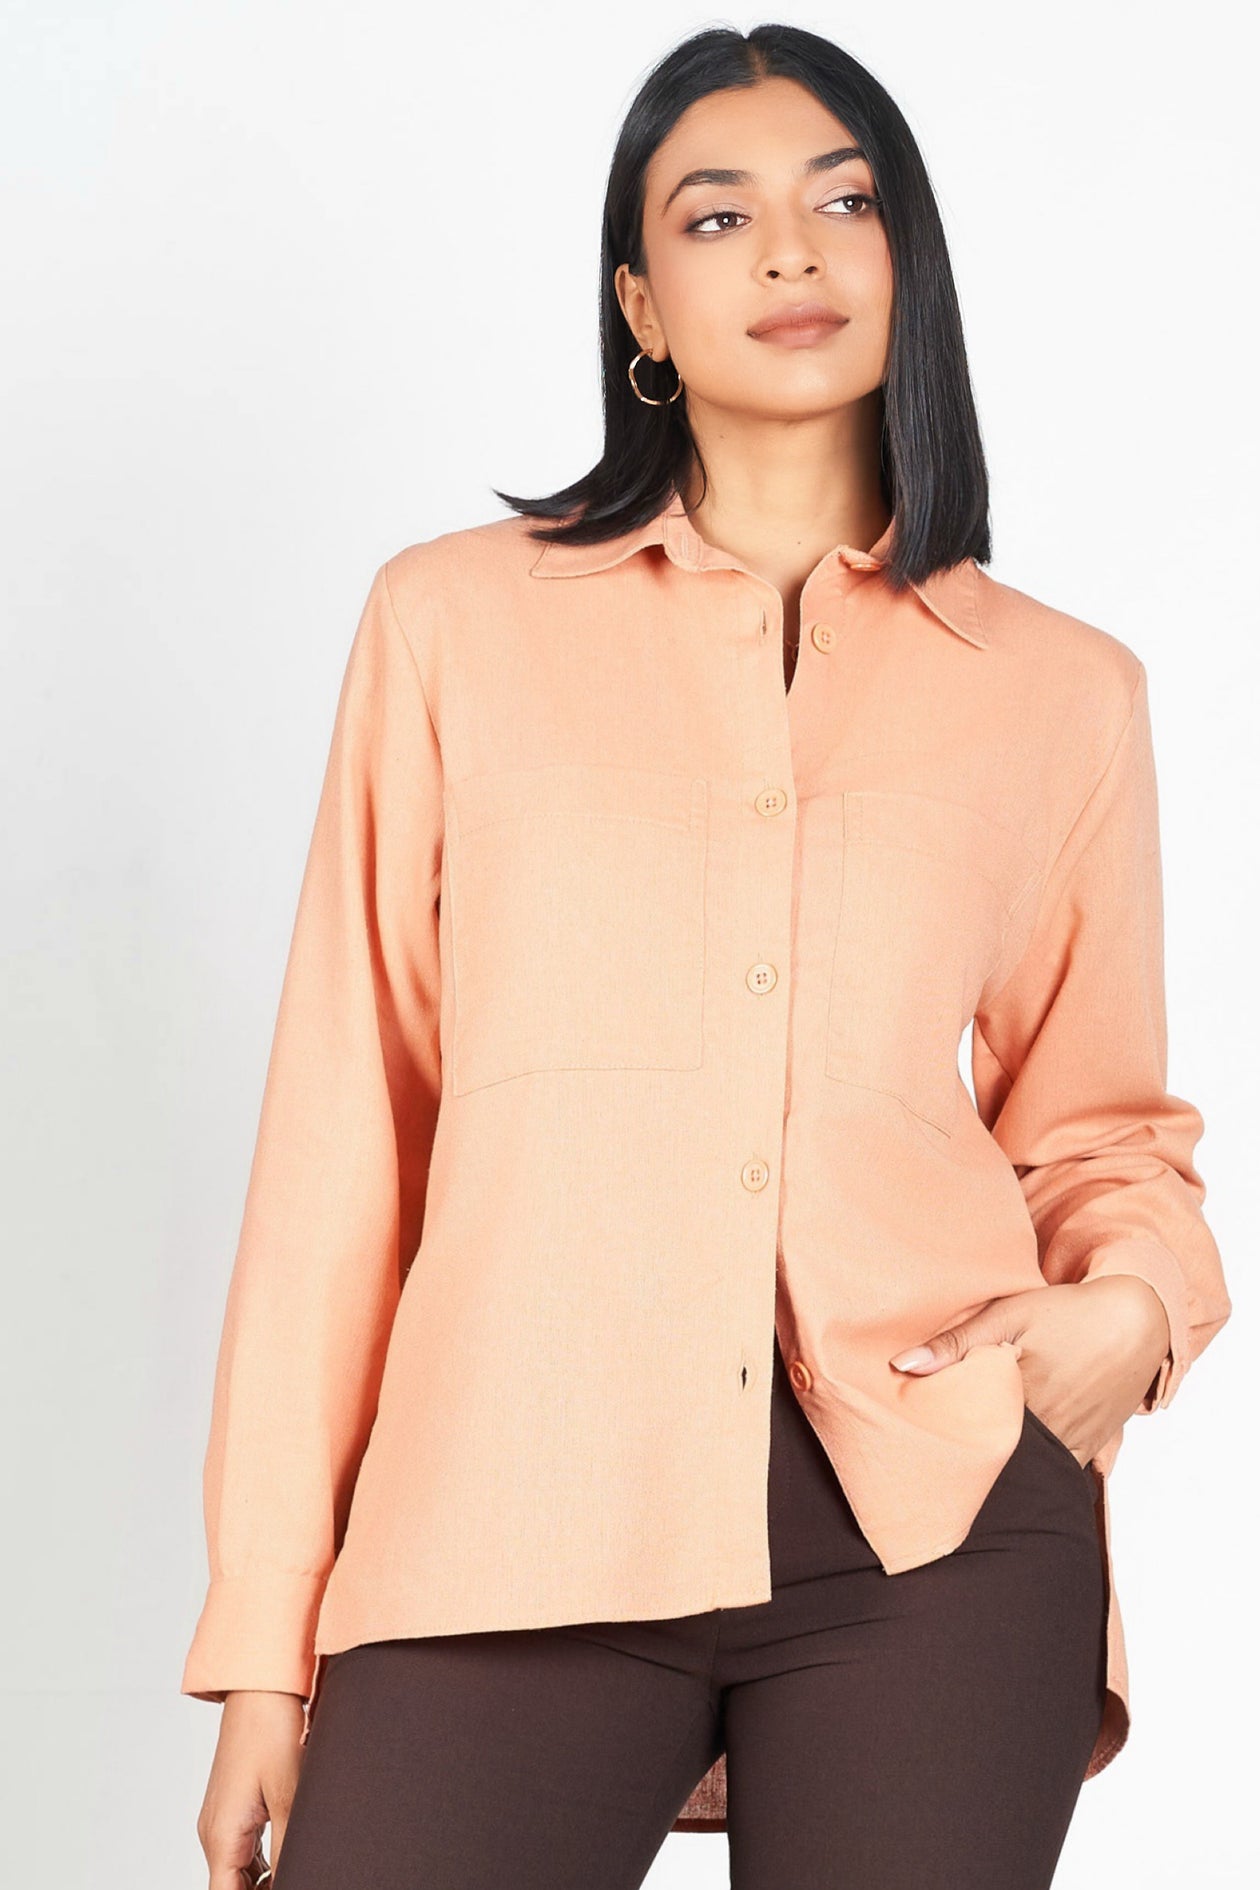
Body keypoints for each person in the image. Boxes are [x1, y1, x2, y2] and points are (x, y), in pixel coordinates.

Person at [185, 23, 1232, 1890]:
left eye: (845, 201)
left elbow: (1103, 1131)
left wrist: (1135, 1312)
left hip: (933, 1524)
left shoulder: (1064, 693)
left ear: (906, 261)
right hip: (508, 1503)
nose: (791, 250)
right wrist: (267, 1639)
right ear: (641, 308)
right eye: (717, 214)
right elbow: (348, 1143)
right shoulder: (451, 628)